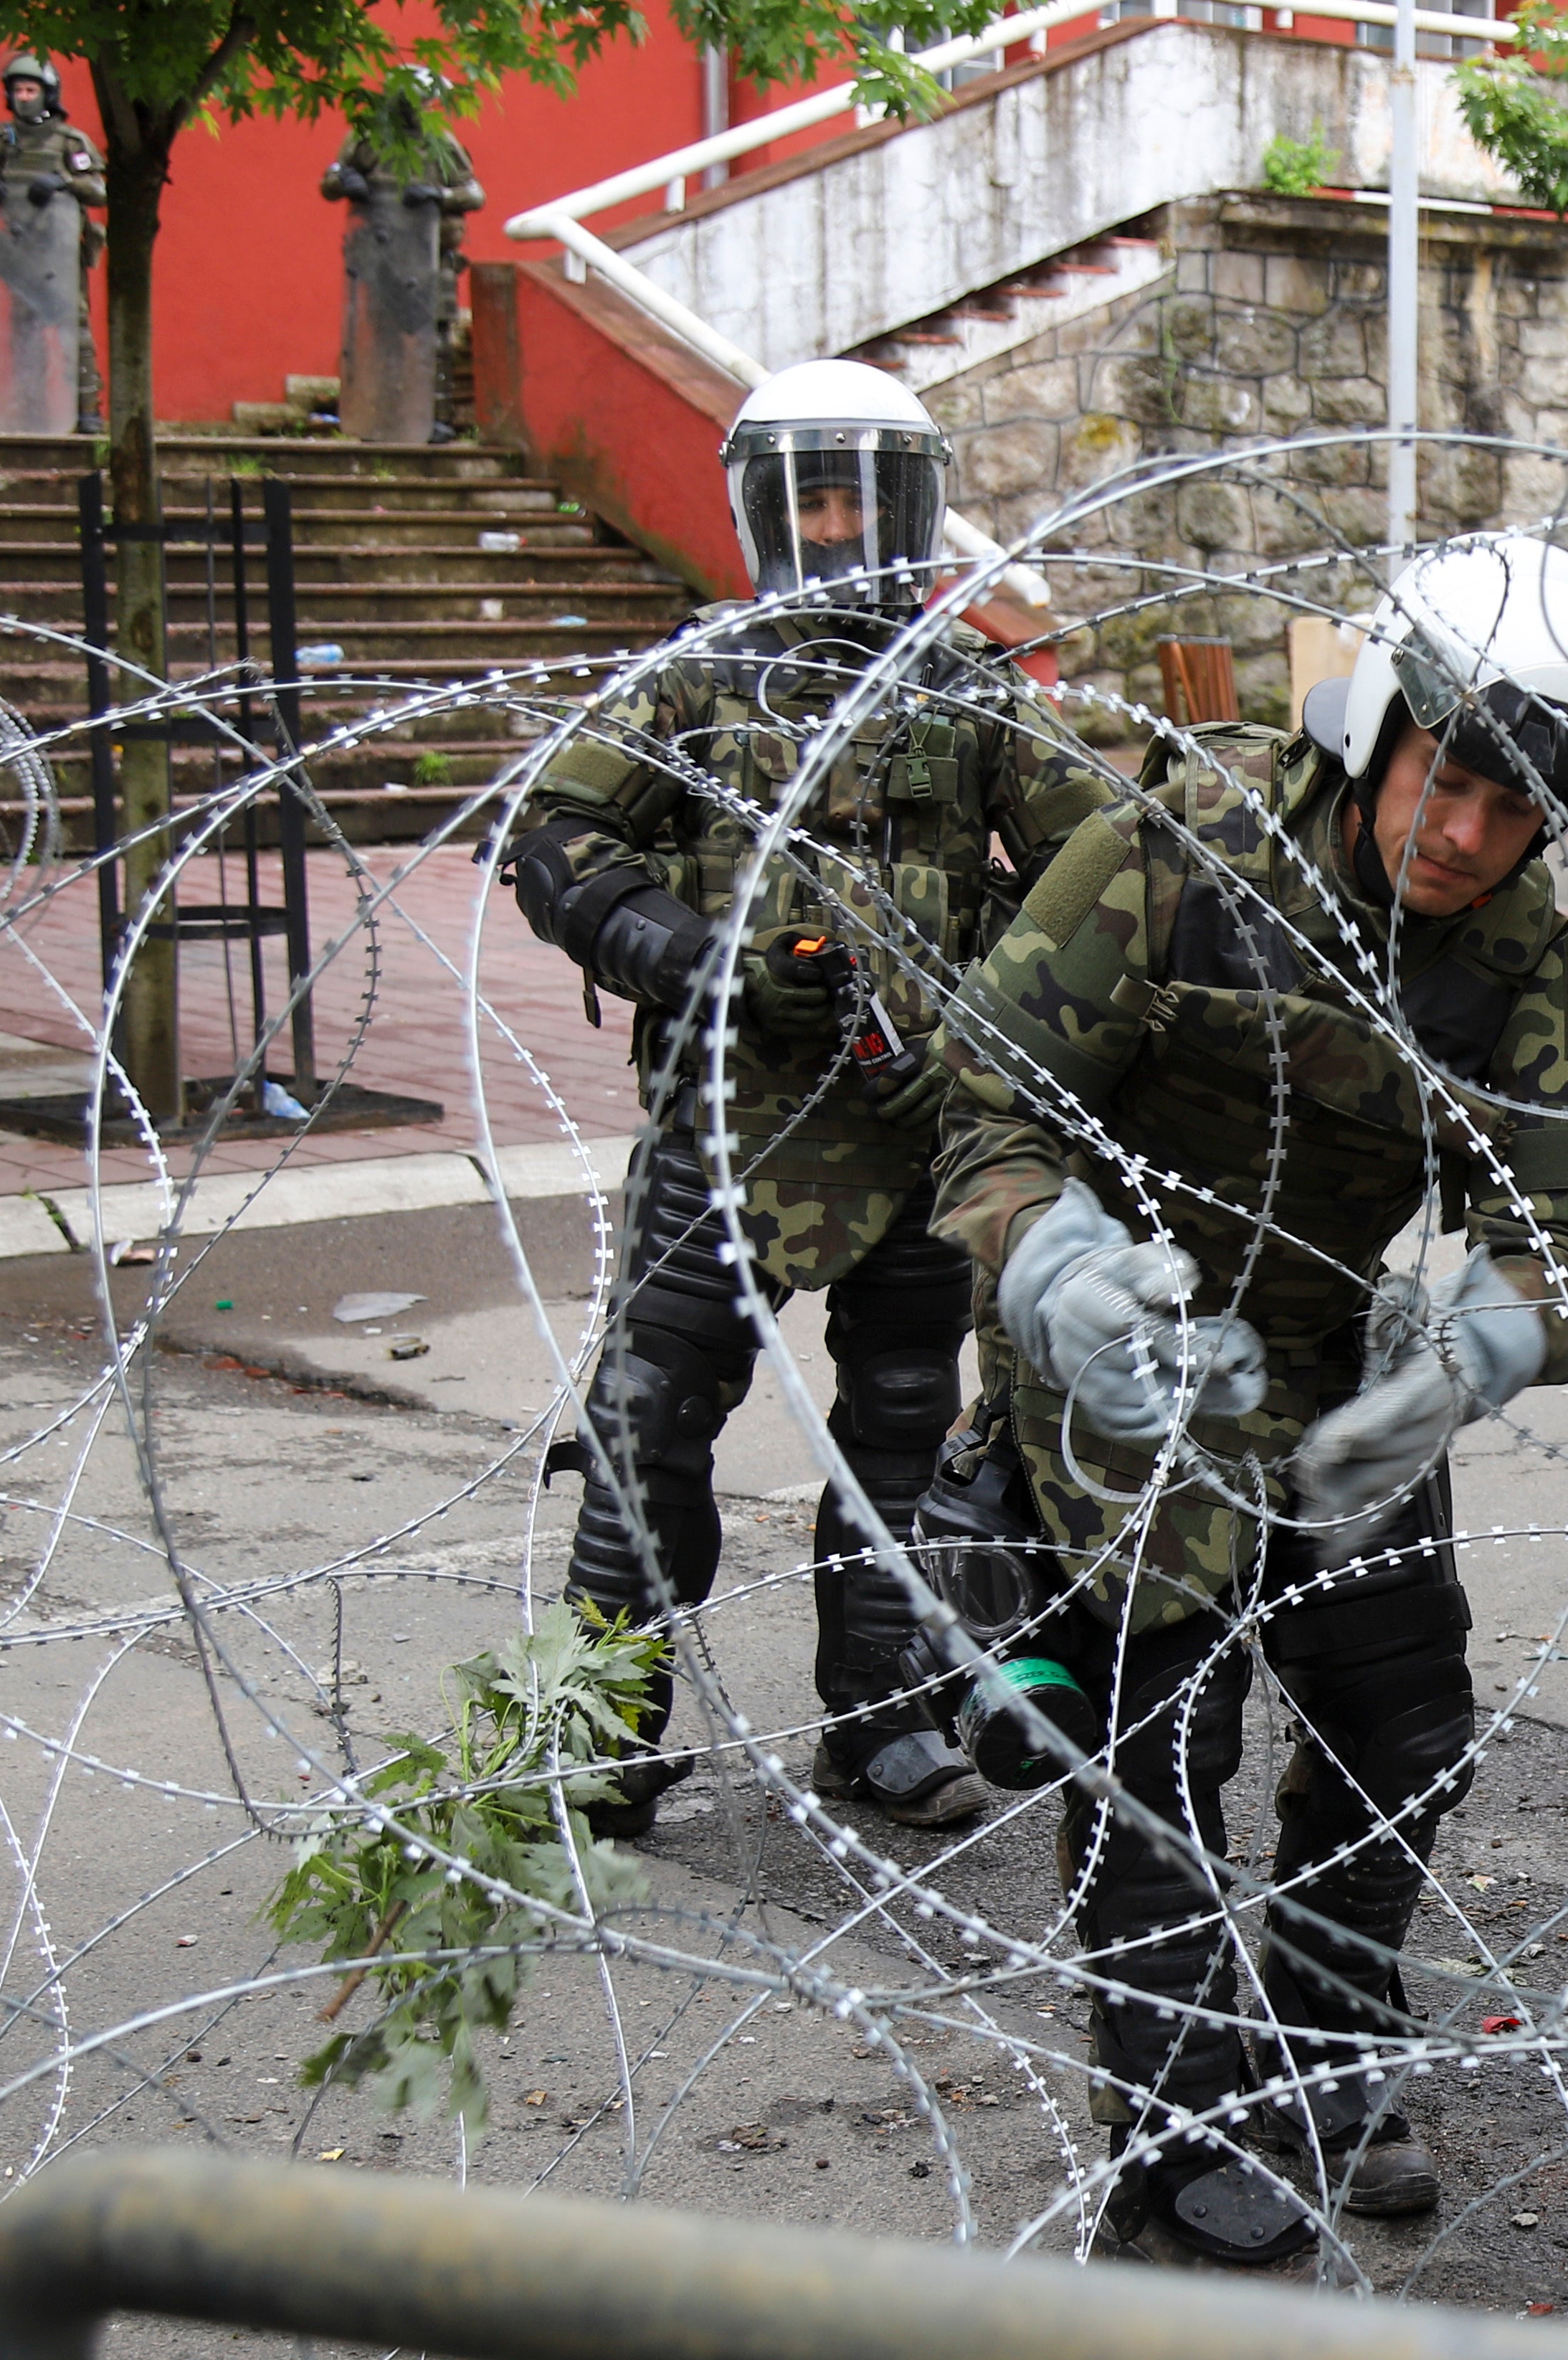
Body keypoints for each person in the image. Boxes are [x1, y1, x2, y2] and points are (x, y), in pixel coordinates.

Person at [927, 536, 1568, 2266]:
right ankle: (1173, 2133)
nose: (1464, 836)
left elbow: (1553, 1222)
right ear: (1375, 731)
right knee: (1161, 1739)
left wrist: (1472, 1349)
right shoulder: (1169, 861)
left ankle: (1324, 2056)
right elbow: (984, 1100)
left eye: (1513, 811)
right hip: (1118, 1337)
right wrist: (1057, 1271)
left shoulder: (1525, 956)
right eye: (1446, 779)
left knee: (1397, 1719)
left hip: (1329, 1354)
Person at [503, 359, 1137, 1837]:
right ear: (764, 513)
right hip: (722, 1128)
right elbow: (558, 837)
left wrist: (994, 991)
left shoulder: (970, 687)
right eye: (813, 500)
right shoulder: (695, 675)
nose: (839, 529)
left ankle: (881, 1719)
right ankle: (601, 1728)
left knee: (906, 1427)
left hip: (916, 1126)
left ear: (909, 510)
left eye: (863, 497)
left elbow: (1102, 871)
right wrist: (704, 961)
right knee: (647, 1420)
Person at [320, 67, 487, 434]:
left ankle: (434, 419)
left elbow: (474, 193)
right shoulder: (368, 140)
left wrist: (439, 195)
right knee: (380, 335)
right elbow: (331, 180)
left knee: (435, 338)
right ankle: (378, 413)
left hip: (430, 256)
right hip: (381, 256)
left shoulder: (442, 145)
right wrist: (346, 179)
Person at [0, 55, 103, 426]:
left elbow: (99, 190)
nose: (24, 97)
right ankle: (32, 410)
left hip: (61, 249)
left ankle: (88, 410)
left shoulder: (70, 141)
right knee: (26, 330)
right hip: (19, 249)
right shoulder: (0, 141)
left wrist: (63, 183)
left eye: (31, 89)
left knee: (75, 325)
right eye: (18, 90)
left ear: (48, 93)